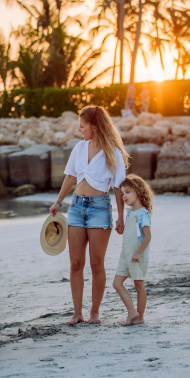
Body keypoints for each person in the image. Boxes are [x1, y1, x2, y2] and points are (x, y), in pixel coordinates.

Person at [49, 106, 129, 325]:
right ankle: (77, 312)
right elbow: (70, 177)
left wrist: (120, 216)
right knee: (75, 263)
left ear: (94, 127)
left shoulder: (113, 152)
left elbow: (119, 187)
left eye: (82, 126)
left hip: (99, 208)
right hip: (76, 207)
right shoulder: (79, 148)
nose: (79, 129)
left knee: (96, 264)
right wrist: (58, 201)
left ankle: (94, 312)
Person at [113, 174, 153, 326]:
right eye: (122, 193)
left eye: (128, 192)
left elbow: (148, 236)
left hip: (137, 255)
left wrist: (138, 253)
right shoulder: (130, 213)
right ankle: (132, 312)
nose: (124, 196)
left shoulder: (142, 213)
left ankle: (139, 317)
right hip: (126, 254)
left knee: (139, 285)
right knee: (117, 283)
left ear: (139, 191)